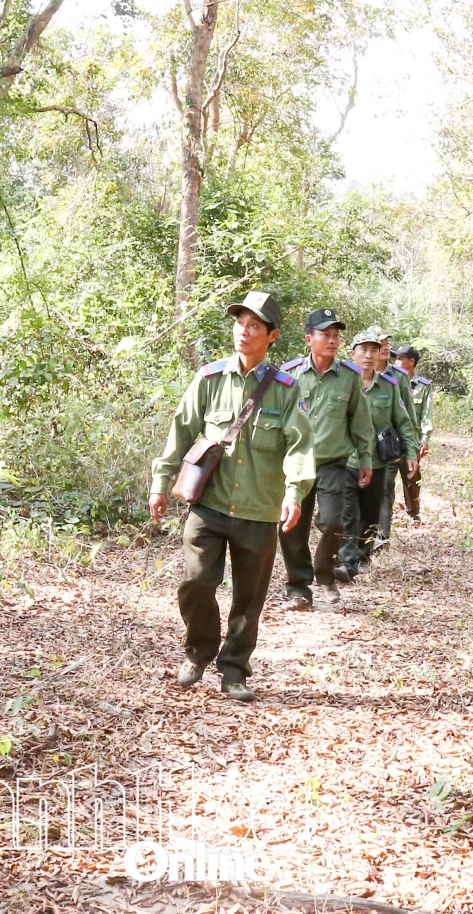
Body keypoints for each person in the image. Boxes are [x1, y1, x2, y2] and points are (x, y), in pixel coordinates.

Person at [150, 291, 313, 703]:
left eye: (254, 325)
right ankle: (198, 652)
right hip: (209, 506)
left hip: (259, 510)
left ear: (272, 335)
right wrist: (160, 482)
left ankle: (235, 669)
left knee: (248, 597)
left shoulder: (285, 389)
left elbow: (299, 446)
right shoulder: (209, 379)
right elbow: (181, 431)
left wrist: (295, 492)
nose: (244, 331)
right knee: (196, 582)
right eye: (240, 322)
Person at [277, 309, 376, 608]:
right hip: (295, 462)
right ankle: (298, 588)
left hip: (332, 462)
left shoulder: (348, 377)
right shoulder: (289, 373)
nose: (332, 341)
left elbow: (360, 421)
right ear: (309, 338)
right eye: (325, 335)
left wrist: (366, 458)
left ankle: (324, 574)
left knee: (334, 521)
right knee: (292, 525)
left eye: (336, 336)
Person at [340, 327, 417, 576]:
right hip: (345, 460)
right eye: (363, 350)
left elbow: (403, 420)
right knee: (347, 512)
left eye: (374, 350)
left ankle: (362, 556)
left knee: (371, 512)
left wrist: (411, 453)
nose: (369, 355)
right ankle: (346, 561)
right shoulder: (340, 382)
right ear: (352, 353)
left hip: (376, 460)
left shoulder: (388, 385)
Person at [390, 343, 434, 521]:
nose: (396, 361)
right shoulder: (390, 380)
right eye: (396, 358)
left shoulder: (423, 386)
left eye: (400, 359)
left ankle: (413, 513)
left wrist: (425, 440)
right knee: (386, 480)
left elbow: (426, 414)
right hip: (390, 438)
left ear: (411, 362)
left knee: (412, 478)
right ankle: (384, 516)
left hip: (412, 440)